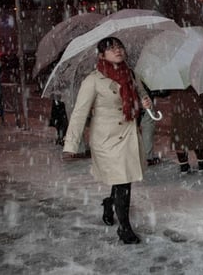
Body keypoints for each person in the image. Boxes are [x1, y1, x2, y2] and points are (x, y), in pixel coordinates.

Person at [62, 36, 153, 244]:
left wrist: (145, 103)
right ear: (102, 55)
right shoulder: (93, 80)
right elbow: (79, 113)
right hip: (107, 139)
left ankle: (109, 203)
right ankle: (125, 229)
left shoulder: (130, 74)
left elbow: (140, 96)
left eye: (120, 46)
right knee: (123, 182)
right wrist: (71, 144)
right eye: (111, 48)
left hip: (128, 134)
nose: (118, 51)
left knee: (123, 178)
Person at [168, 85, 203, 173]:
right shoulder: (197, 75)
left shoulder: (173, 76)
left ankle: (184, 164)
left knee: (180, 136)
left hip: (179, 107)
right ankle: (202, 162)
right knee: (199, 135)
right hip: (196, 105)